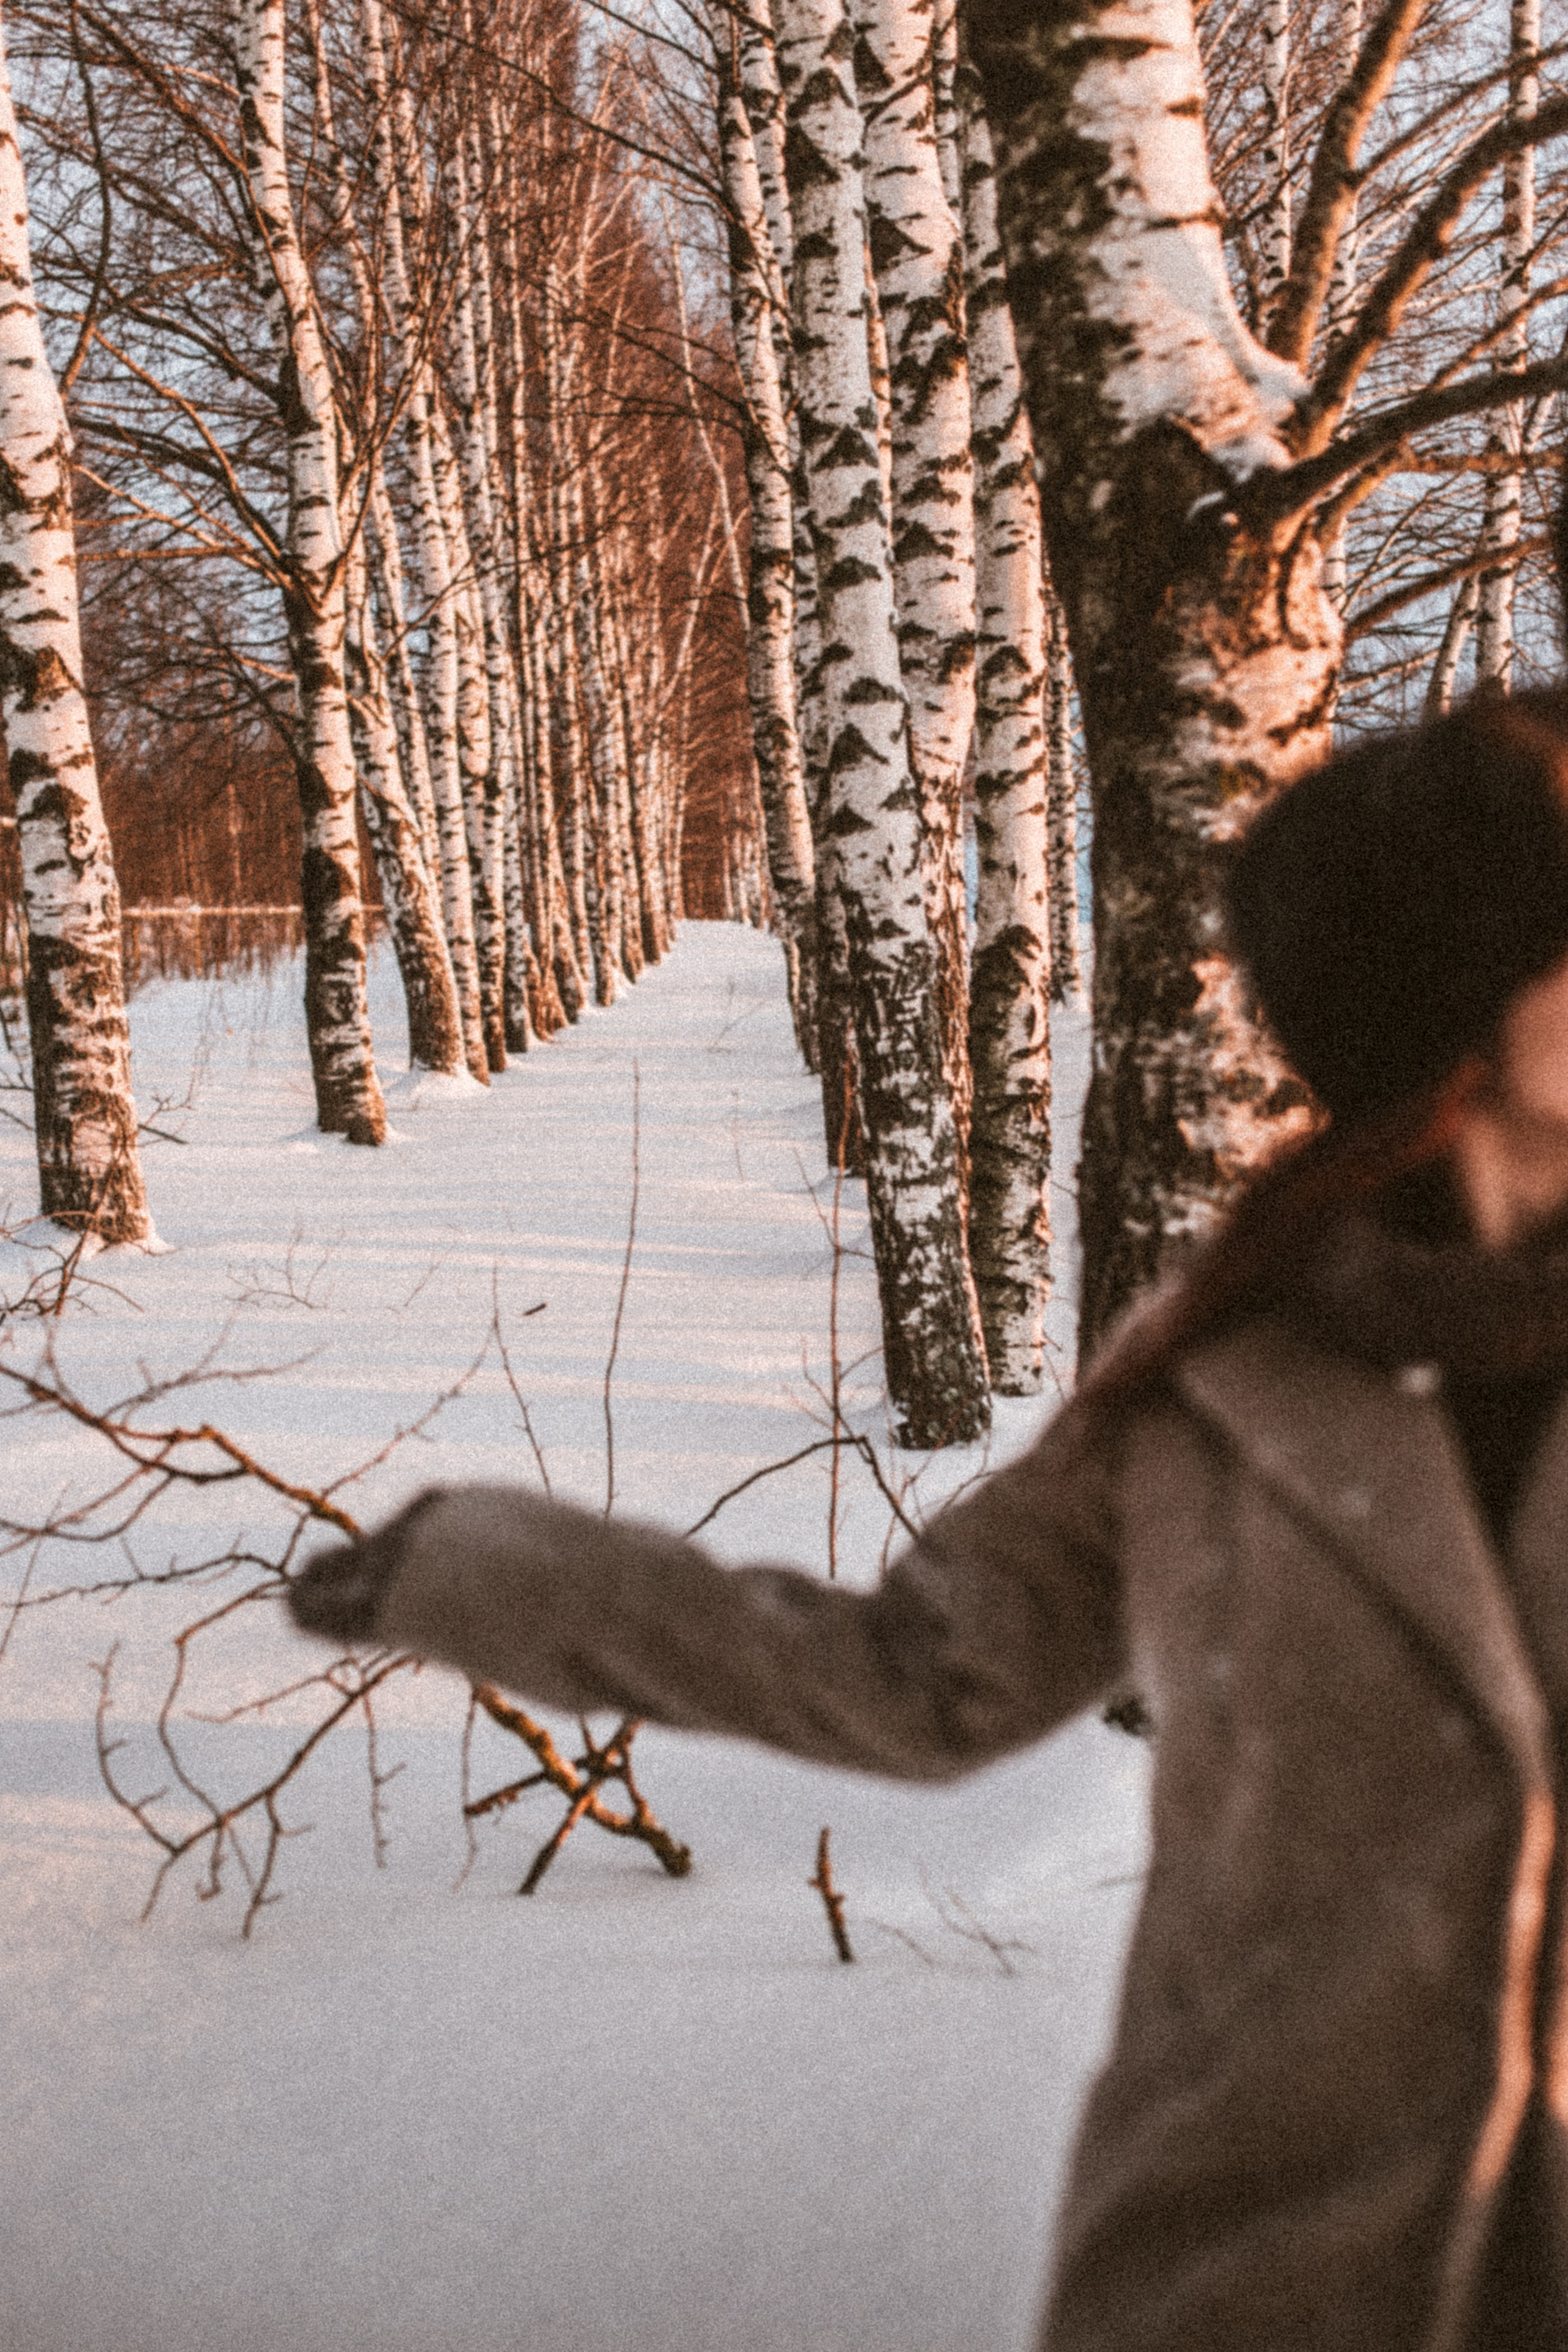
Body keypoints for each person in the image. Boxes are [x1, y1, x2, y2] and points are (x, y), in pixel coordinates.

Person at [289, 688, 1568, 2352]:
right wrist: (484, 1571)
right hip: (1260, 2263)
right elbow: (920, 1679)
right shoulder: (1217, 1386)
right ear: (1449, 1002)